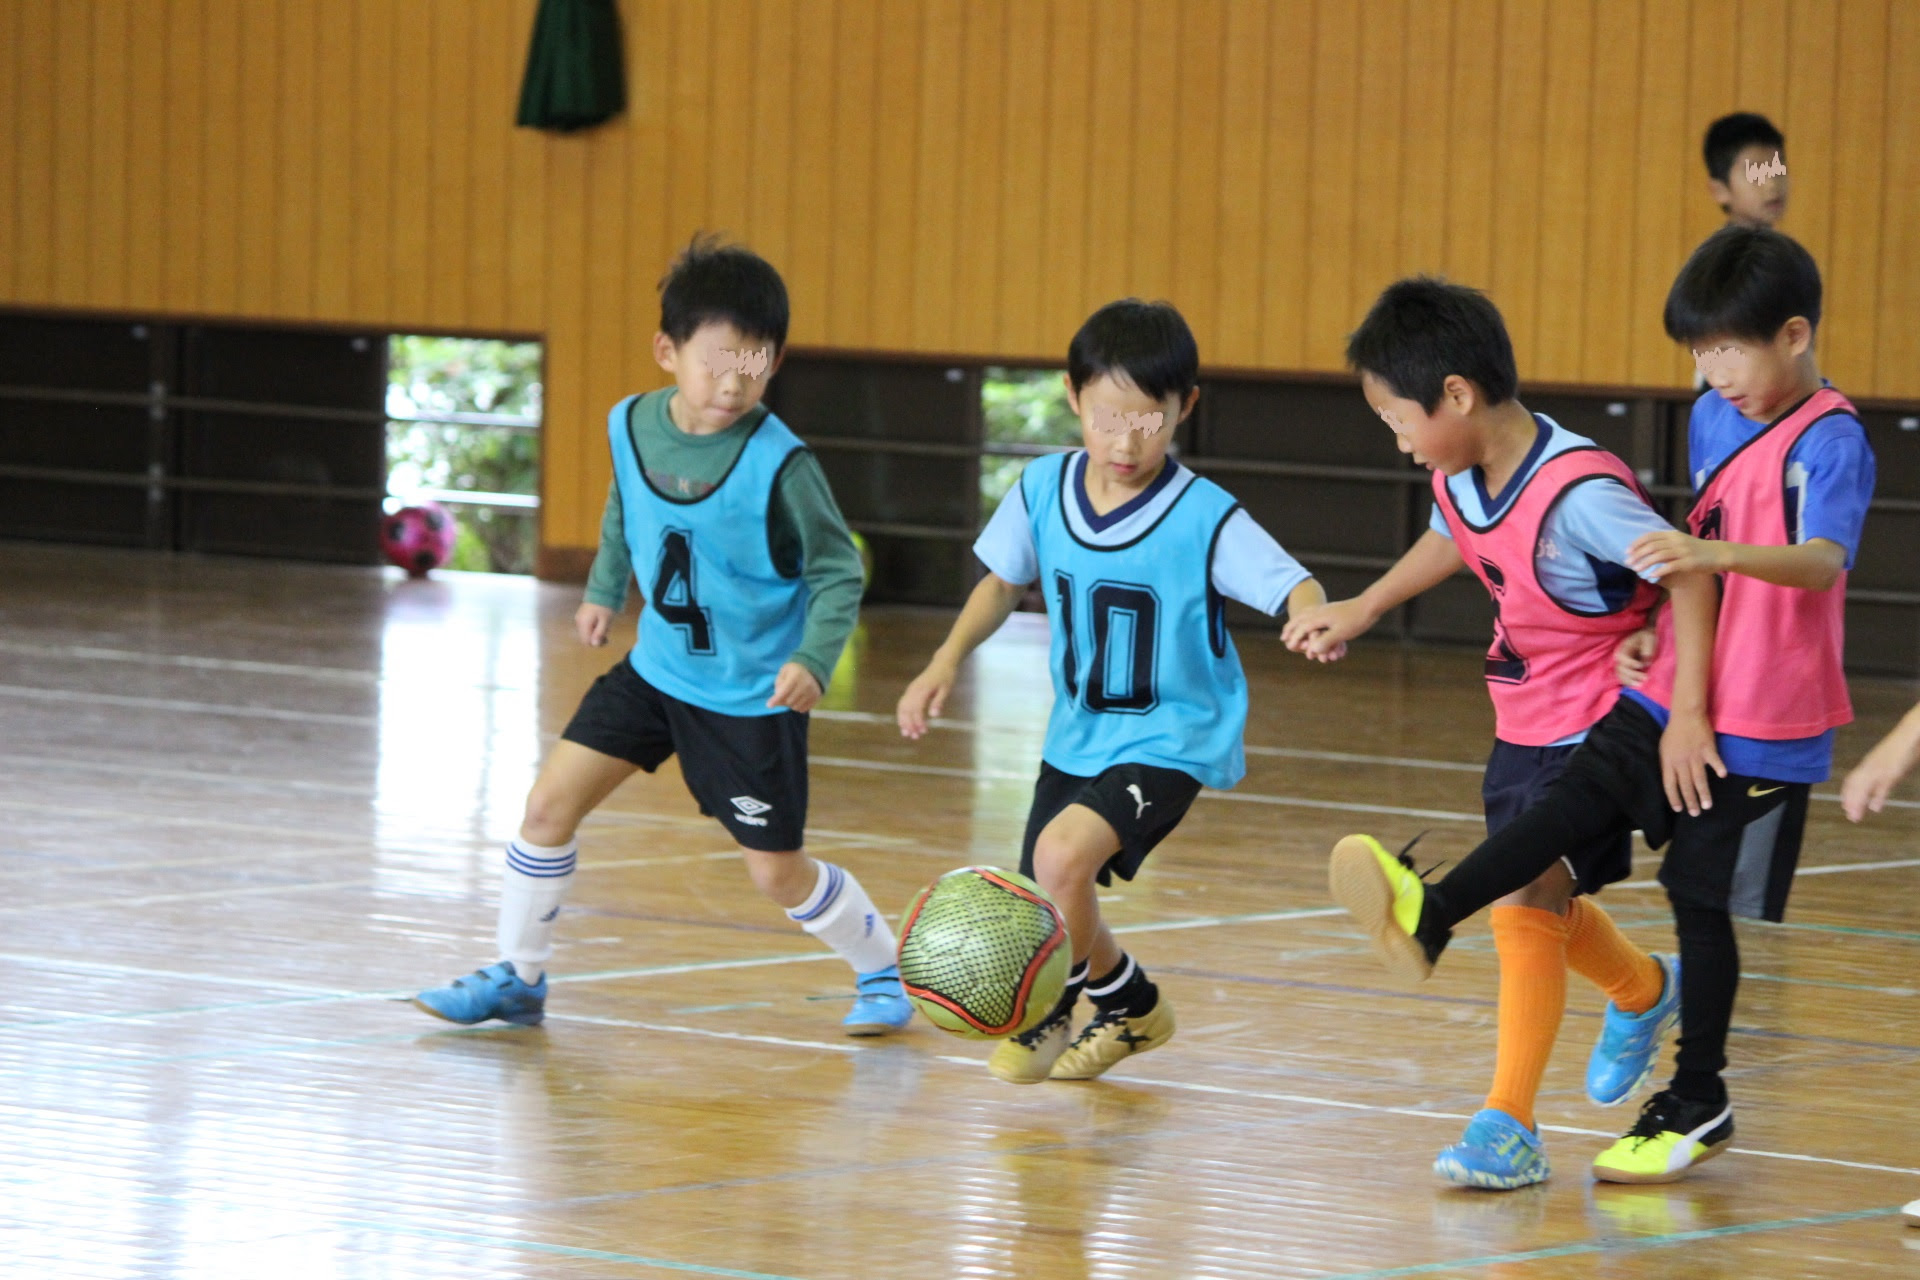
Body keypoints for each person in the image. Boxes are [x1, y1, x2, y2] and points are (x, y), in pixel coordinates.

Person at [1326, 225, 1873, 1185]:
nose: (1711, 373)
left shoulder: (1824, 442)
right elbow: (1685, 556)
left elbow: (1781, 563)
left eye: (1728, 350)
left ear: (1792, 335)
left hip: (1743, 705)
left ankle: (1615, 1102)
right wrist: (1662, 628)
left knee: (1652, 894)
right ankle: (1497, 936)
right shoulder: (1710, 416)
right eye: (1699, 355)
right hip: (1655, 683)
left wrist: (1693, 606)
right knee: (1552, 858)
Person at [414, 236, 910, 1035]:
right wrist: (605, 590)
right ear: (666, 351)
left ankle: (881, 967)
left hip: (748, 698)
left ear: (775, 364)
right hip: (656, 673)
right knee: (546, 808)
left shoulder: (782, 464)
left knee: (775, 874)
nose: (732, 382)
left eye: (753, 365)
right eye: (715, 362)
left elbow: (837, 571)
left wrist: (814, 659)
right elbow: (627, 509)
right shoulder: (631, 424)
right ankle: (519, 976)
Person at [1284, 277, 1702, 1189]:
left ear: (1459, 396)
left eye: (1399, 420)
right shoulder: (1461, 470)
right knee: (1540, 898)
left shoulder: (1579, 493)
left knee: (1520, 899)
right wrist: (1364, 604)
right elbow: (1455, 535)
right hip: (1523, 714)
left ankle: (1507, 1123)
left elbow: (1690, 575)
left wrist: (1657, 652)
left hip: (1604, 722)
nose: (1397, 440)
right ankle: (1644, 990)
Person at [896, 299, 1337, 1084]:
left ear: (1185, 409)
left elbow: (1294, 584)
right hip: (1077, 733)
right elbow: (1001, 586)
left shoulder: (1204, 516)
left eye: (1149, 421)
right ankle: (1134, 1007)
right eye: (1107, 418)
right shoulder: (1040, 487)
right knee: (1055, 890)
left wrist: (1311, 619)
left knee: (1060, 859)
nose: (1126, 441)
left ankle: (1053, 1012)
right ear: (1072, 397)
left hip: (1175, 736)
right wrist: (943, 661)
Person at [1704, 112, 1788, 229]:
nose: (1772, 184)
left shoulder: (1782, 246)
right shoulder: (1724, 247)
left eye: (1778, 169)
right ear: (1720, 190)